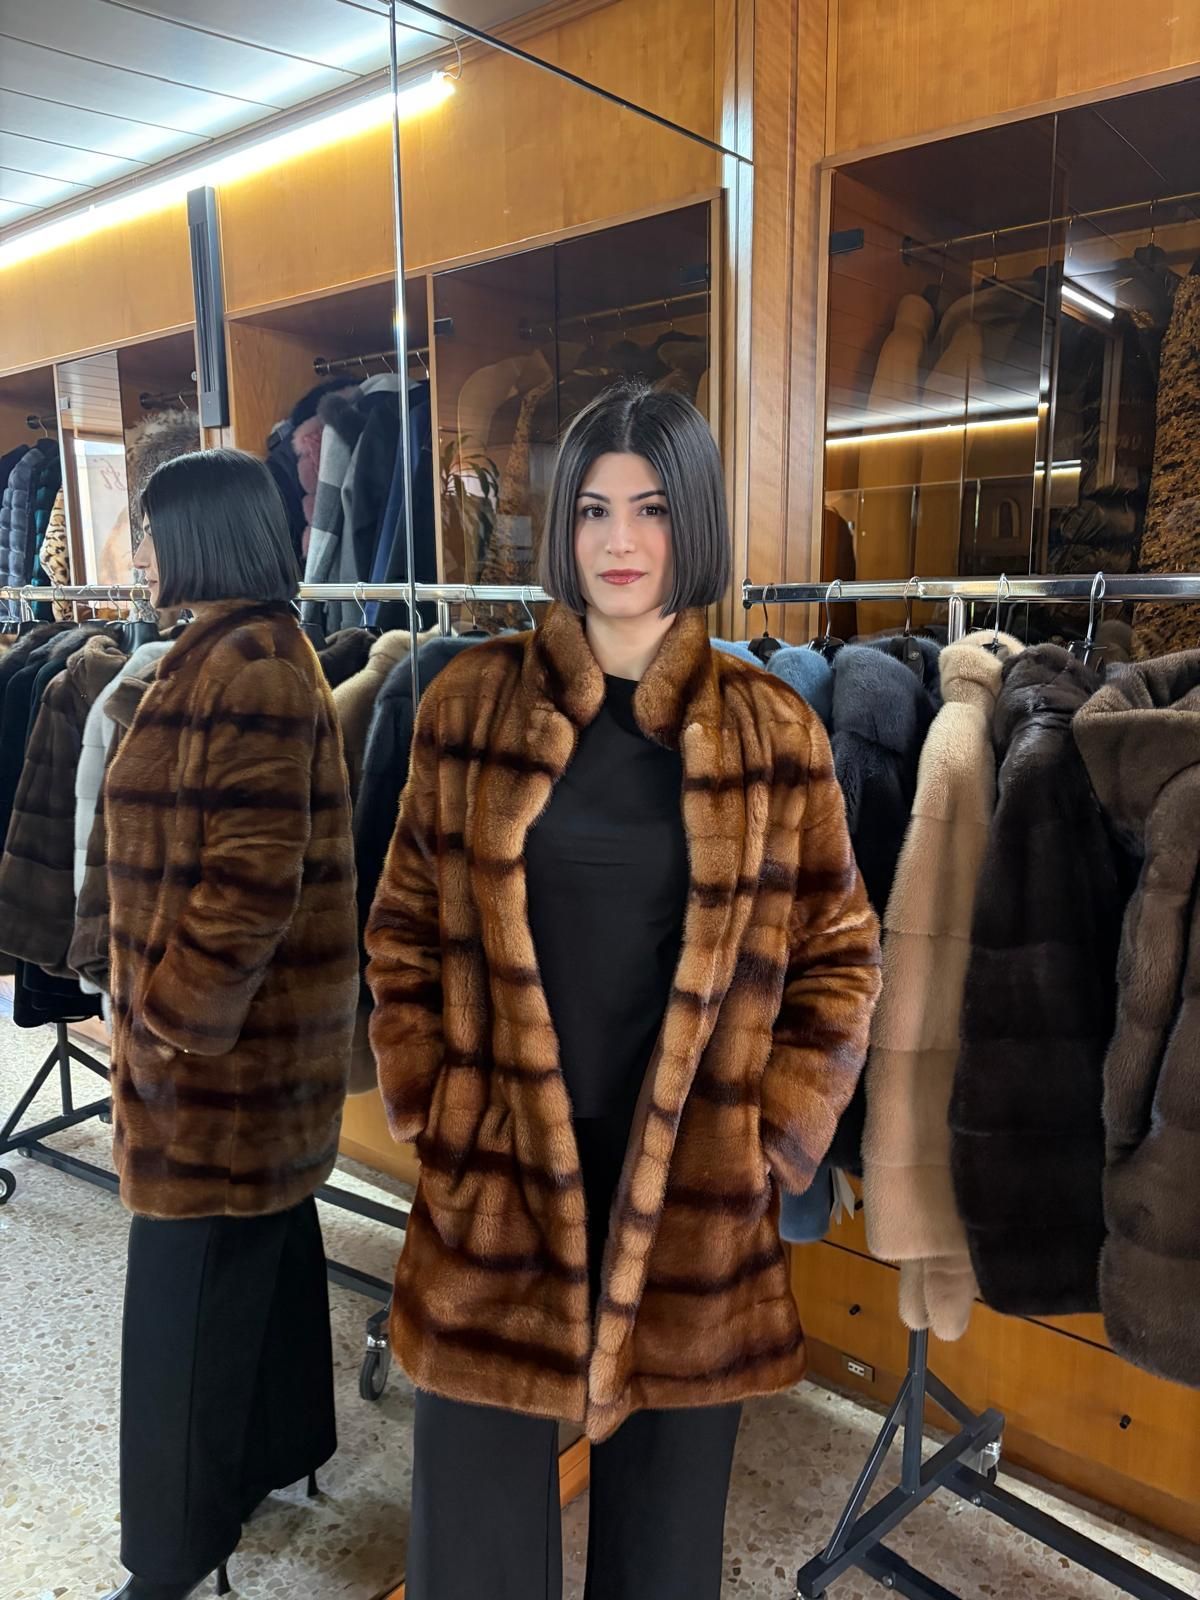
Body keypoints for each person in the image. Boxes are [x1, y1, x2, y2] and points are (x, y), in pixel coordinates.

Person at [366, 383, 882, 1599]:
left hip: (695, 1197)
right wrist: (434, 1106)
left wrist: (773, 1138)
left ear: (690, 520)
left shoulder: (774, 731)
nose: (620, 541)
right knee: (473, 1547)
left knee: (662, 1556)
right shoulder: (468, 706)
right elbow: (400, 930)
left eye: (650, 507)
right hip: (495, 1181)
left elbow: (841, 952)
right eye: (593, 508)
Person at [98, 449, 359, 1600]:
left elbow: (251, 882)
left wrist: (167, 1022)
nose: (142, 554)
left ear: (202, 538)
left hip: (219, 1070)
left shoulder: (249, 667)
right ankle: (280, 1450)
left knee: (181, 1311)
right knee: (261, 1256)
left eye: (153, 532)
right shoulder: (232, 649)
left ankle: (169, 1560)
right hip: (246, 1061)